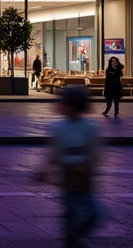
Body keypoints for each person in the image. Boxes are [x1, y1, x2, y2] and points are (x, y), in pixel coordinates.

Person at [35, 85, 102, 248]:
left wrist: (93, 170)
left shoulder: (90, 126)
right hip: (67, 175)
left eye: (63, 103)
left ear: (73, 105)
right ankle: (72, 241)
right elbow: (54, 151)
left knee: (94, 213)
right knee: (72, 209)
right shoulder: (59, 127)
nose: (59, 106)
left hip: (84, 174)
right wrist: (45, 169)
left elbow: (95, 151)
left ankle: (75, 238)